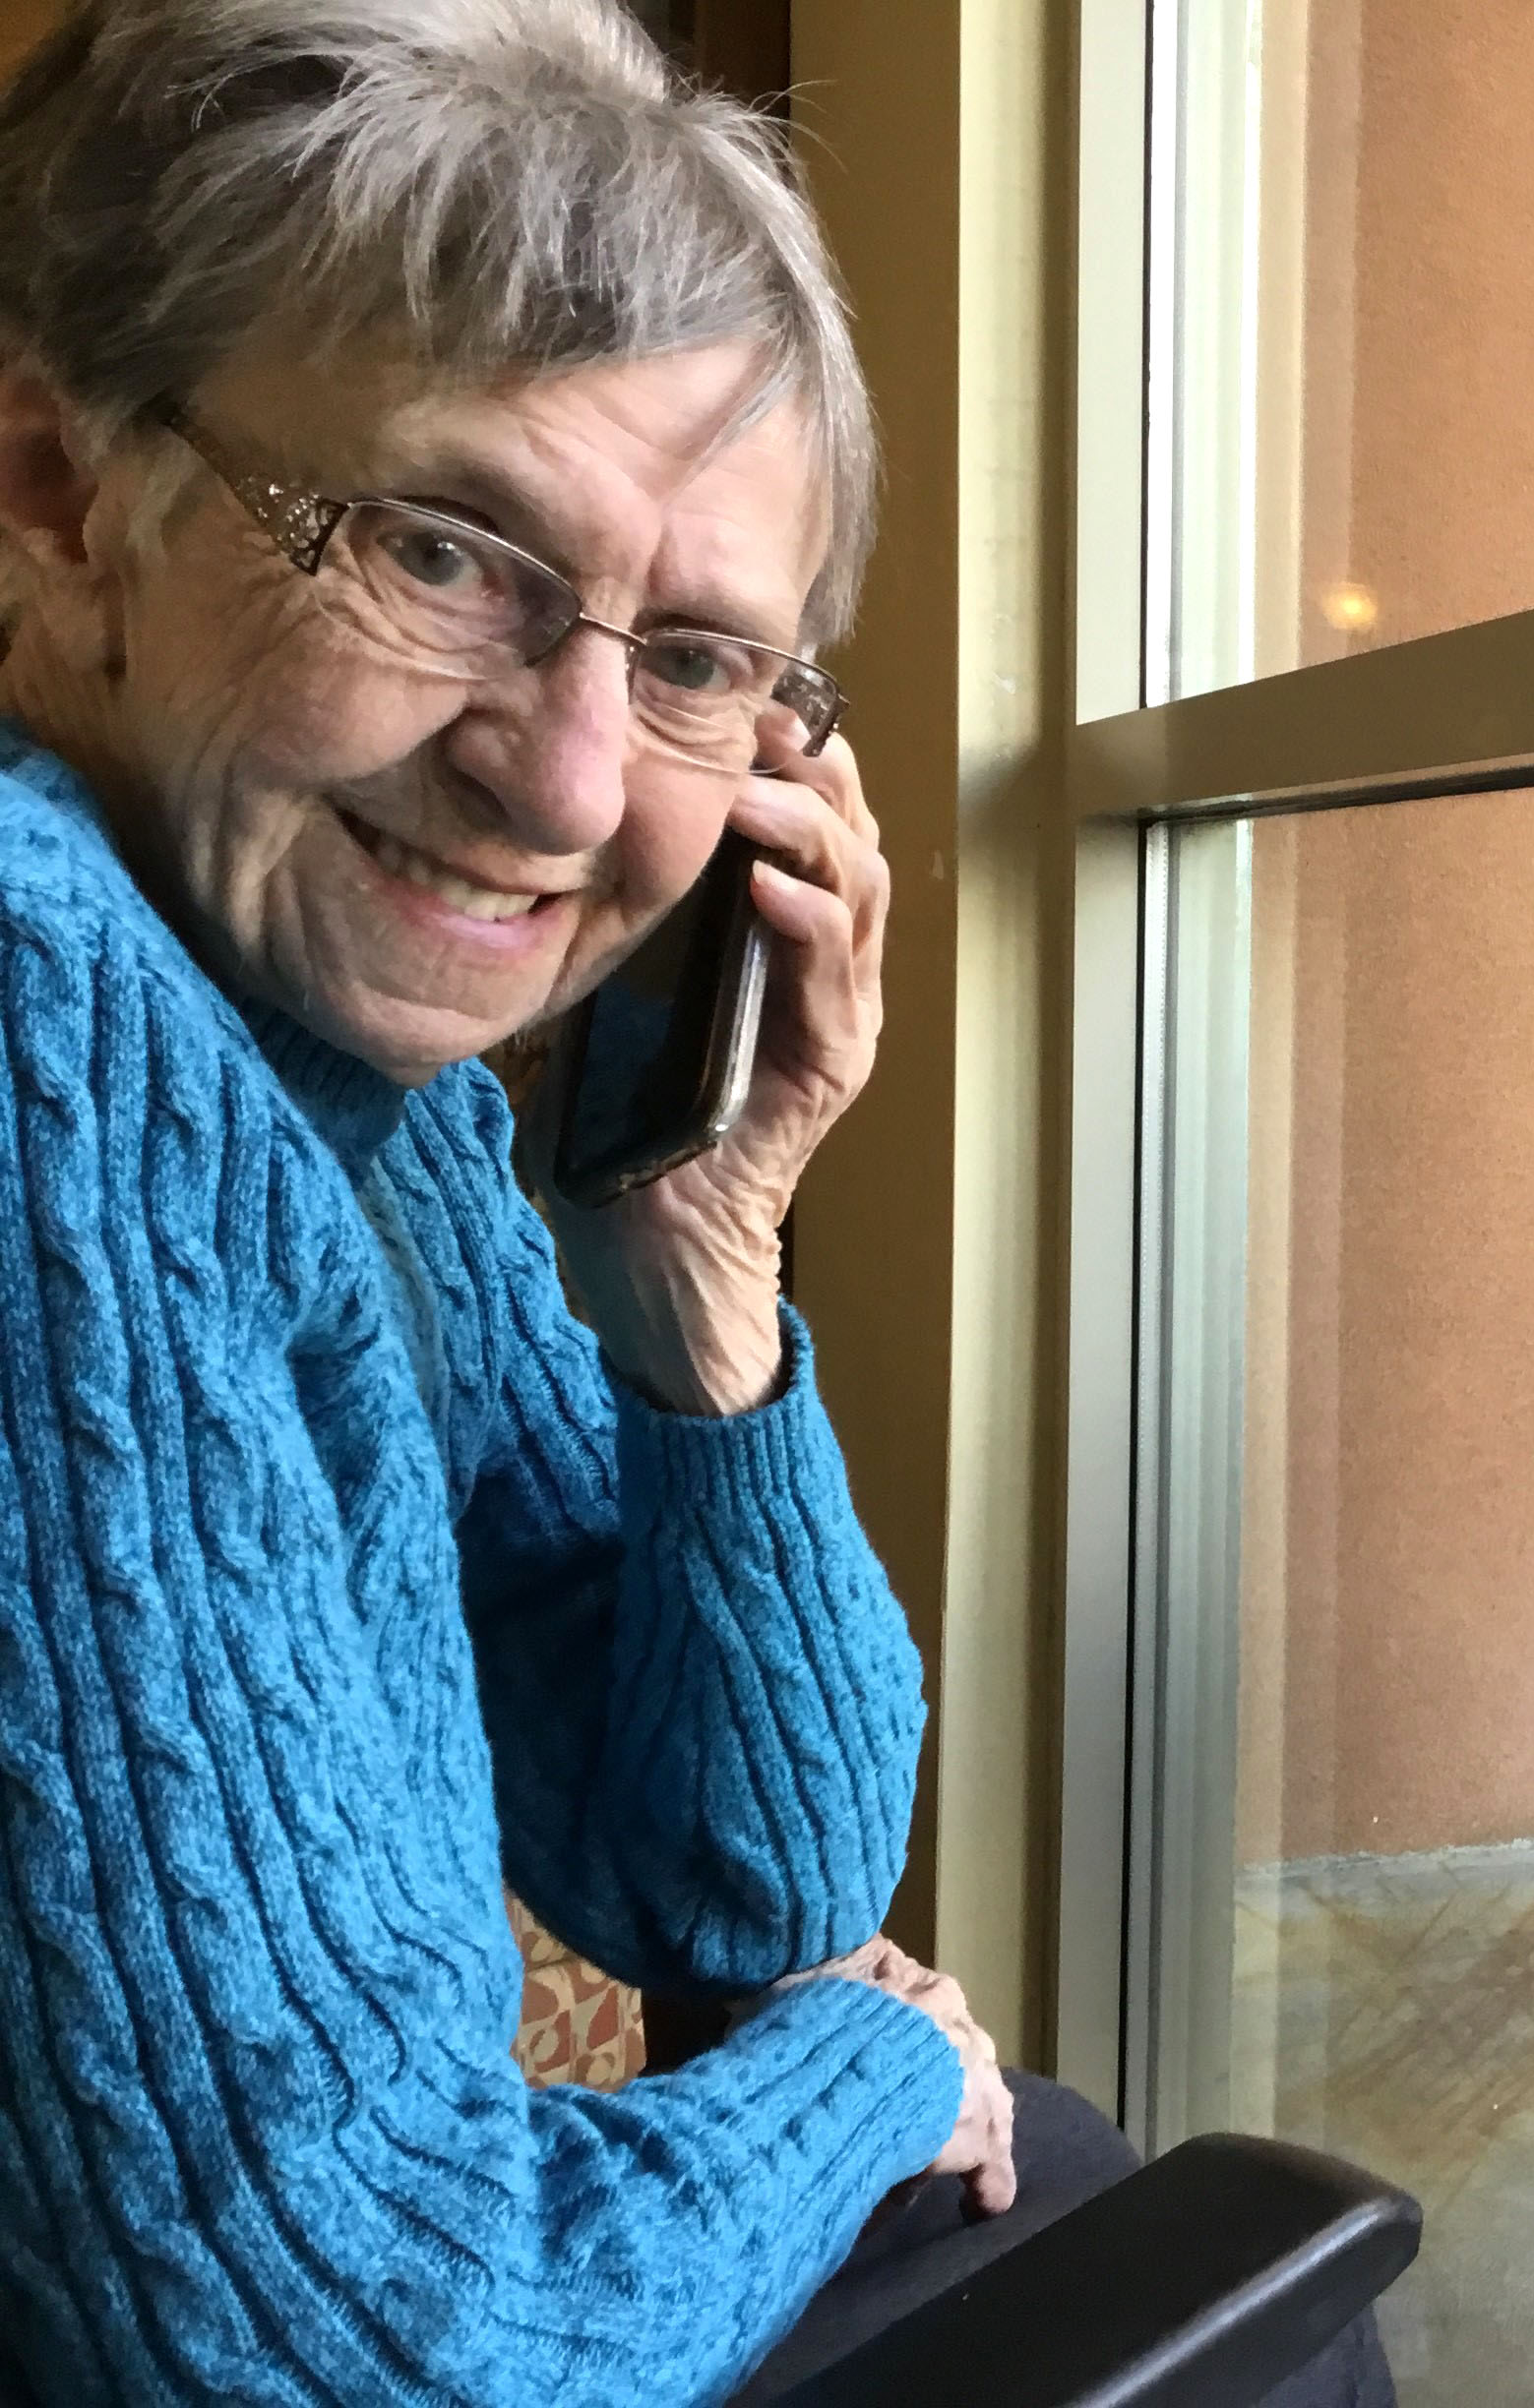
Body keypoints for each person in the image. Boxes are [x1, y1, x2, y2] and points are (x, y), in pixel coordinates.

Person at [0, 6, 1388, 2403]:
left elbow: (740, 1885)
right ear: (55, 496)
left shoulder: (351, 1065)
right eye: (445, 550)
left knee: (1061, 2180)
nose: (562, 785)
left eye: (702, 664)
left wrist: (701, 1265)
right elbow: (345, 2351)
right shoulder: (51, 1030)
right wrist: (859, 2078)